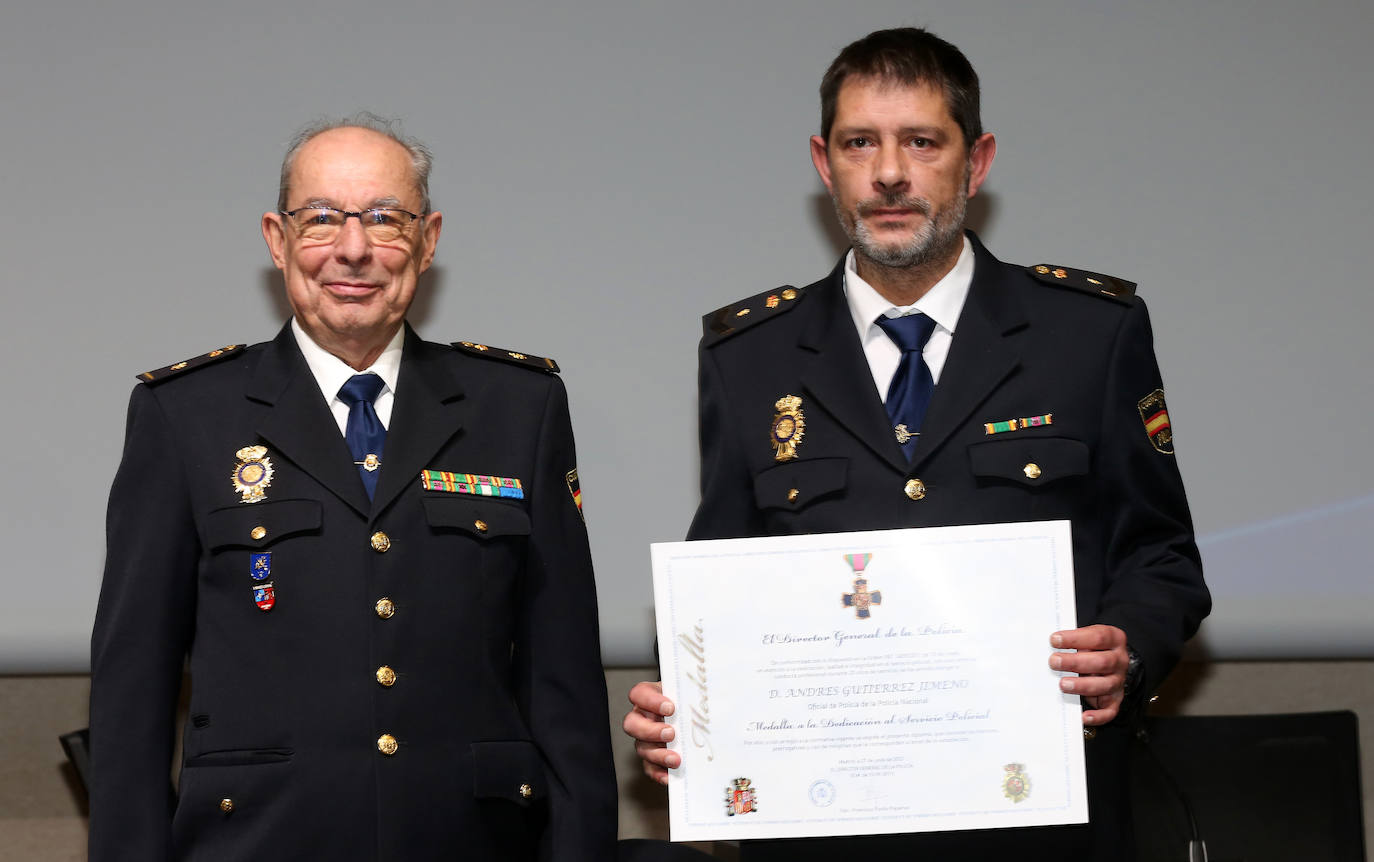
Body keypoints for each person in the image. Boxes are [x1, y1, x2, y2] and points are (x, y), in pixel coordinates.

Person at [622, 28, 1209, 860]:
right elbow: (724, 568)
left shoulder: (1088, 334)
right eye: (862, 142)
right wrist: (683, 698)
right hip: (825, 832)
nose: (890, 172)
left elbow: (1163, 556)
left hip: (1041, 824)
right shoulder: (748, 357)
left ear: (977, 161)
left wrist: (1129, 647)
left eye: (922, 142)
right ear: (826, 163)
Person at [89, 115, 616, 861]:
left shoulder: (518, 409)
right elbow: (130, 697)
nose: (354, 248)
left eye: (384, 219)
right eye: (321, 219)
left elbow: (564, 683)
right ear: (277, 239)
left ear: (429, 240)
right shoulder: (185, 416)